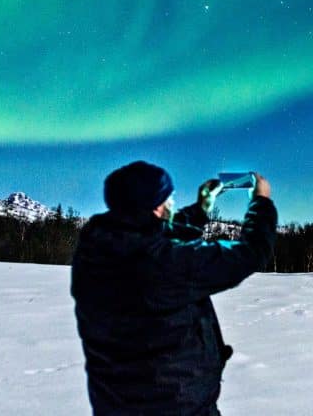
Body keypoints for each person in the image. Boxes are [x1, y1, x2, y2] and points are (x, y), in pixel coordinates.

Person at [71, 161, 277, 415]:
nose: (172, 203)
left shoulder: (96, 249)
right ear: (156, 207)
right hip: (176, 406)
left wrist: (201, 209)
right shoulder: (158, 263)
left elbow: (156, 234)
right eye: (168, 197)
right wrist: (261, 202)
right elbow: (250, 253)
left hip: (116, 403)